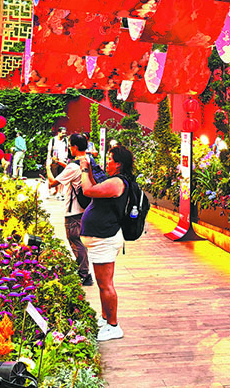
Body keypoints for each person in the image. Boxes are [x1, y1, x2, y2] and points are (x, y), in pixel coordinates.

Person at [79, 144, 135, 342]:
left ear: (118, 164)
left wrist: (84, 169)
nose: (107, 163)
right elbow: (95, 183)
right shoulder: (113, 180)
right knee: (103, 284)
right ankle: (105, 318)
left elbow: (88, 190)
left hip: (105, 238)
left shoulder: (117, 183)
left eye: (110, 159)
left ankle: (114, 325)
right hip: (100, 238)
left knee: (106, 284)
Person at [46, 133, 94, 287]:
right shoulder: (89, 161)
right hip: (86, 209)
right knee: (80, 241)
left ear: (74, 147)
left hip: (74, 210)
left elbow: (52, 183)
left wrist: (48, 167)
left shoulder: (74, 166)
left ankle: (84, 274)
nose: (69, 148)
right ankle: (84, 271)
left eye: (71, 146)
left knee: (75, 241)